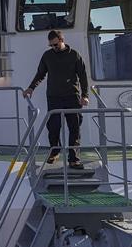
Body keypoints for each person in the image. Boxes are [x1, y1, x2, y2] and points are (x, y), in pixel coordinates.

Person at [23, 29, 89, 169]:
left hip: (72, 96)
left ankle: (74, 159)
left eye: (55, 45)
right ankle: (55, 151)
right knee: (53, 126)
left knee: (74, 128)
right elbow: (40, 74)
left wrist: (85, 96)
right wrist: (31, 88)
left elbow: (83, 76)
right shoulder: (48, 56)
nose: (53, 48)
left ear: (61, 41)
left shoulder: (74, 55)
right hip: (54, 96)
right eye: (51, 46)